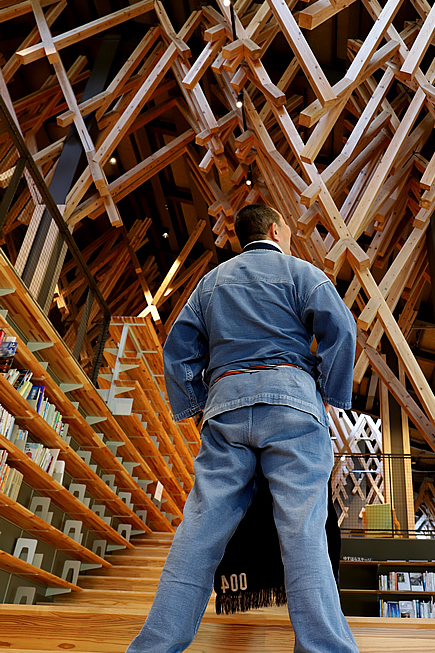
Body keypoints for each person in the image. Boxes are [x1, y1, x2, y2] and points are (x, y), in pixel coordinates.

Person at [126, 204, 360, 653]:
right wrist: (330, 396)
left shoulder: (210, 284)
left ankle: (153, 648)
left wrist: (198, 406)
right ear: (275, 229)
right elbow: (341, 329)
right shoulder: (300, 272)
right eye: (287, 230)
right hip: (291, 401)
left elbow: (177, 349)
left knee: (199, 530)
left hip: (226, 404)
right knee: (302, 530)